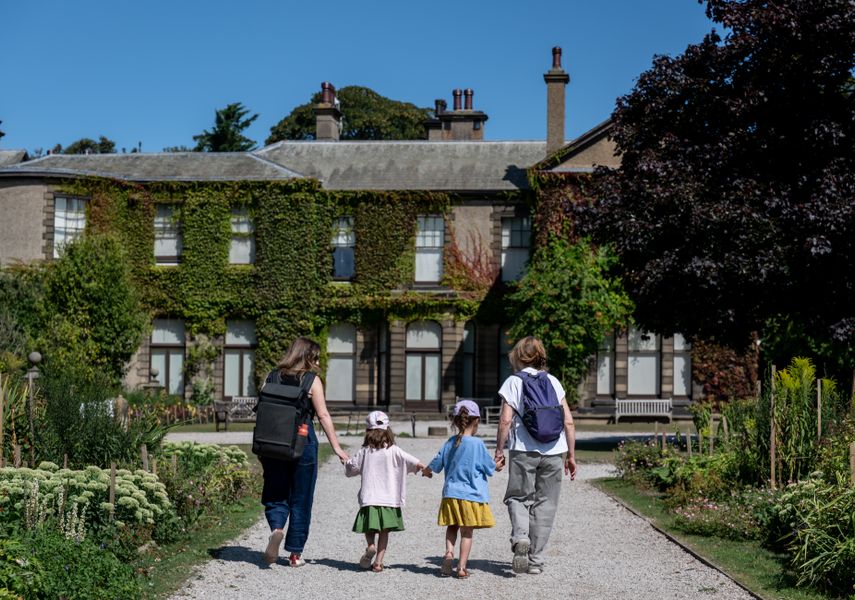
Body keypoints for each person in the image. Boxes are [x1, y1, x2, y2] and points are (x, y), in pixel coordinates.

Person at [261, 336, 349, 567]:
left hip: (273, 442)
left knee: (276, 492)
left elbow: (263, 408)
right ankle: (295, 554)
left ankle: (277, 529)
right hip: (303, 442)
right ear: (308, 356)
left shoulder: (272, 375)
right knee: (302, 497)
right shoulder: (311, 380)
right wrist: (337, 448)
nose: (319, 361)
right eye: (317, 356)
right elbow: (323, 416)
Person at [494, 336, 576, 575]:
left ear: (518, 356)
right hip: (554, 451)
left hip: (523, 449)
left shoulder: (513, 382)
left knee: (518, 497)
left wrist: (499, 451)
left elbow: (505, 420)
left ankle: (520, 537)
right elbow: (568, 422)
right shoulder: (553, 381)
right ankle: (536, 561)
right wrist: (571, 455)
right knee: (546, 504)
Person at [422, 399, 496, 579]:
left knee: (452, 525)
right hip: (471, 495)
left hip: (451, 494)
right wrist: (498, 464)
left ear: (455, 421)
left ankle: (449, 552)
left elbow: (436, 464)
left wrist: (427, 471)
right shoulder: (478, 444)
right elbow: (490, 468)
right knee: (467, 532)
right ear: (477, 420)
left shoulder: (450, 442)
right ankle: (461, 567)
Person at [345, 410, 426, 572]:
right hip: (389, 499)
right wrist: (424, 468)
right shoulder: (394, 450)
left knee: (369, 528)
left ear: (368, 431)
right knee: (384, 532)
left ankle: (370, 545)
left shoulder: (365, 451)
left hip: (369, 498)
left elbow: (351, 469)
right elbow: (412, 461)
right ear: (388, 430)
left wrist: (346, 461)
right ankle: (378, 563)